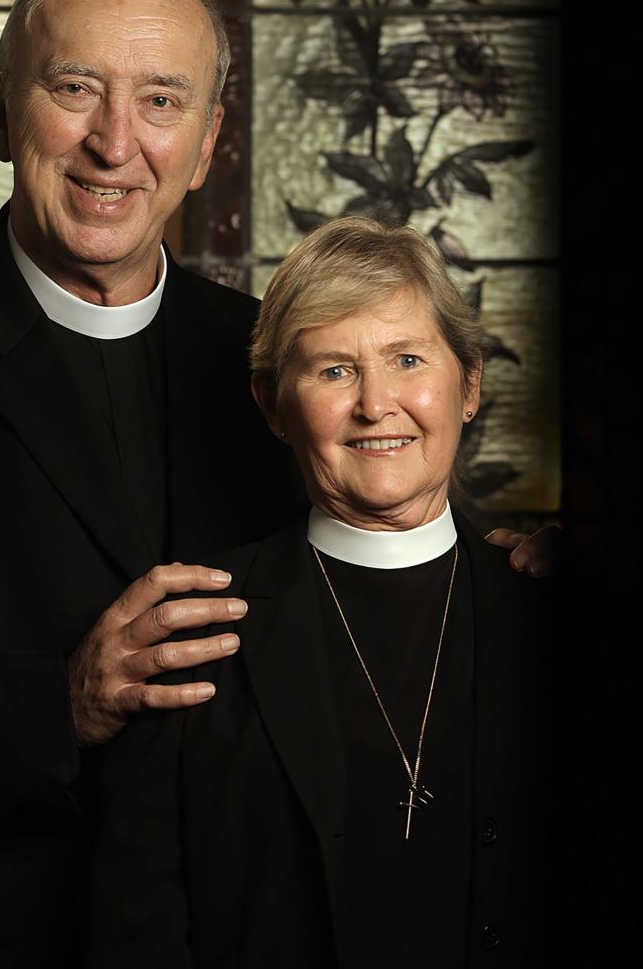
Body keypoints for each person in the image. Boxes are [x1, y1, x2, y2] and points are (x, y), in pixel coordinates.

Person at [0, 0, 553, 966]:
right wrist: (57, 705)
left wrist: (503, 577)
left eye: (161, 100)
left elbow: (373, 573)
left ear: (205, 144)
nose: (115, 144)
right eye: (74, 89)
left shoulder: (281, 366)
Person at [90, 217, 554, 968]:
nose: (376, 404)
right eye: (335, 370)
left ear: (468, 383)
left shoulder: (552, 612)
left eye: (407, 359)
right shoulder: (190, 636)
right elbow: (135, 931)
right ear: (274, 405)